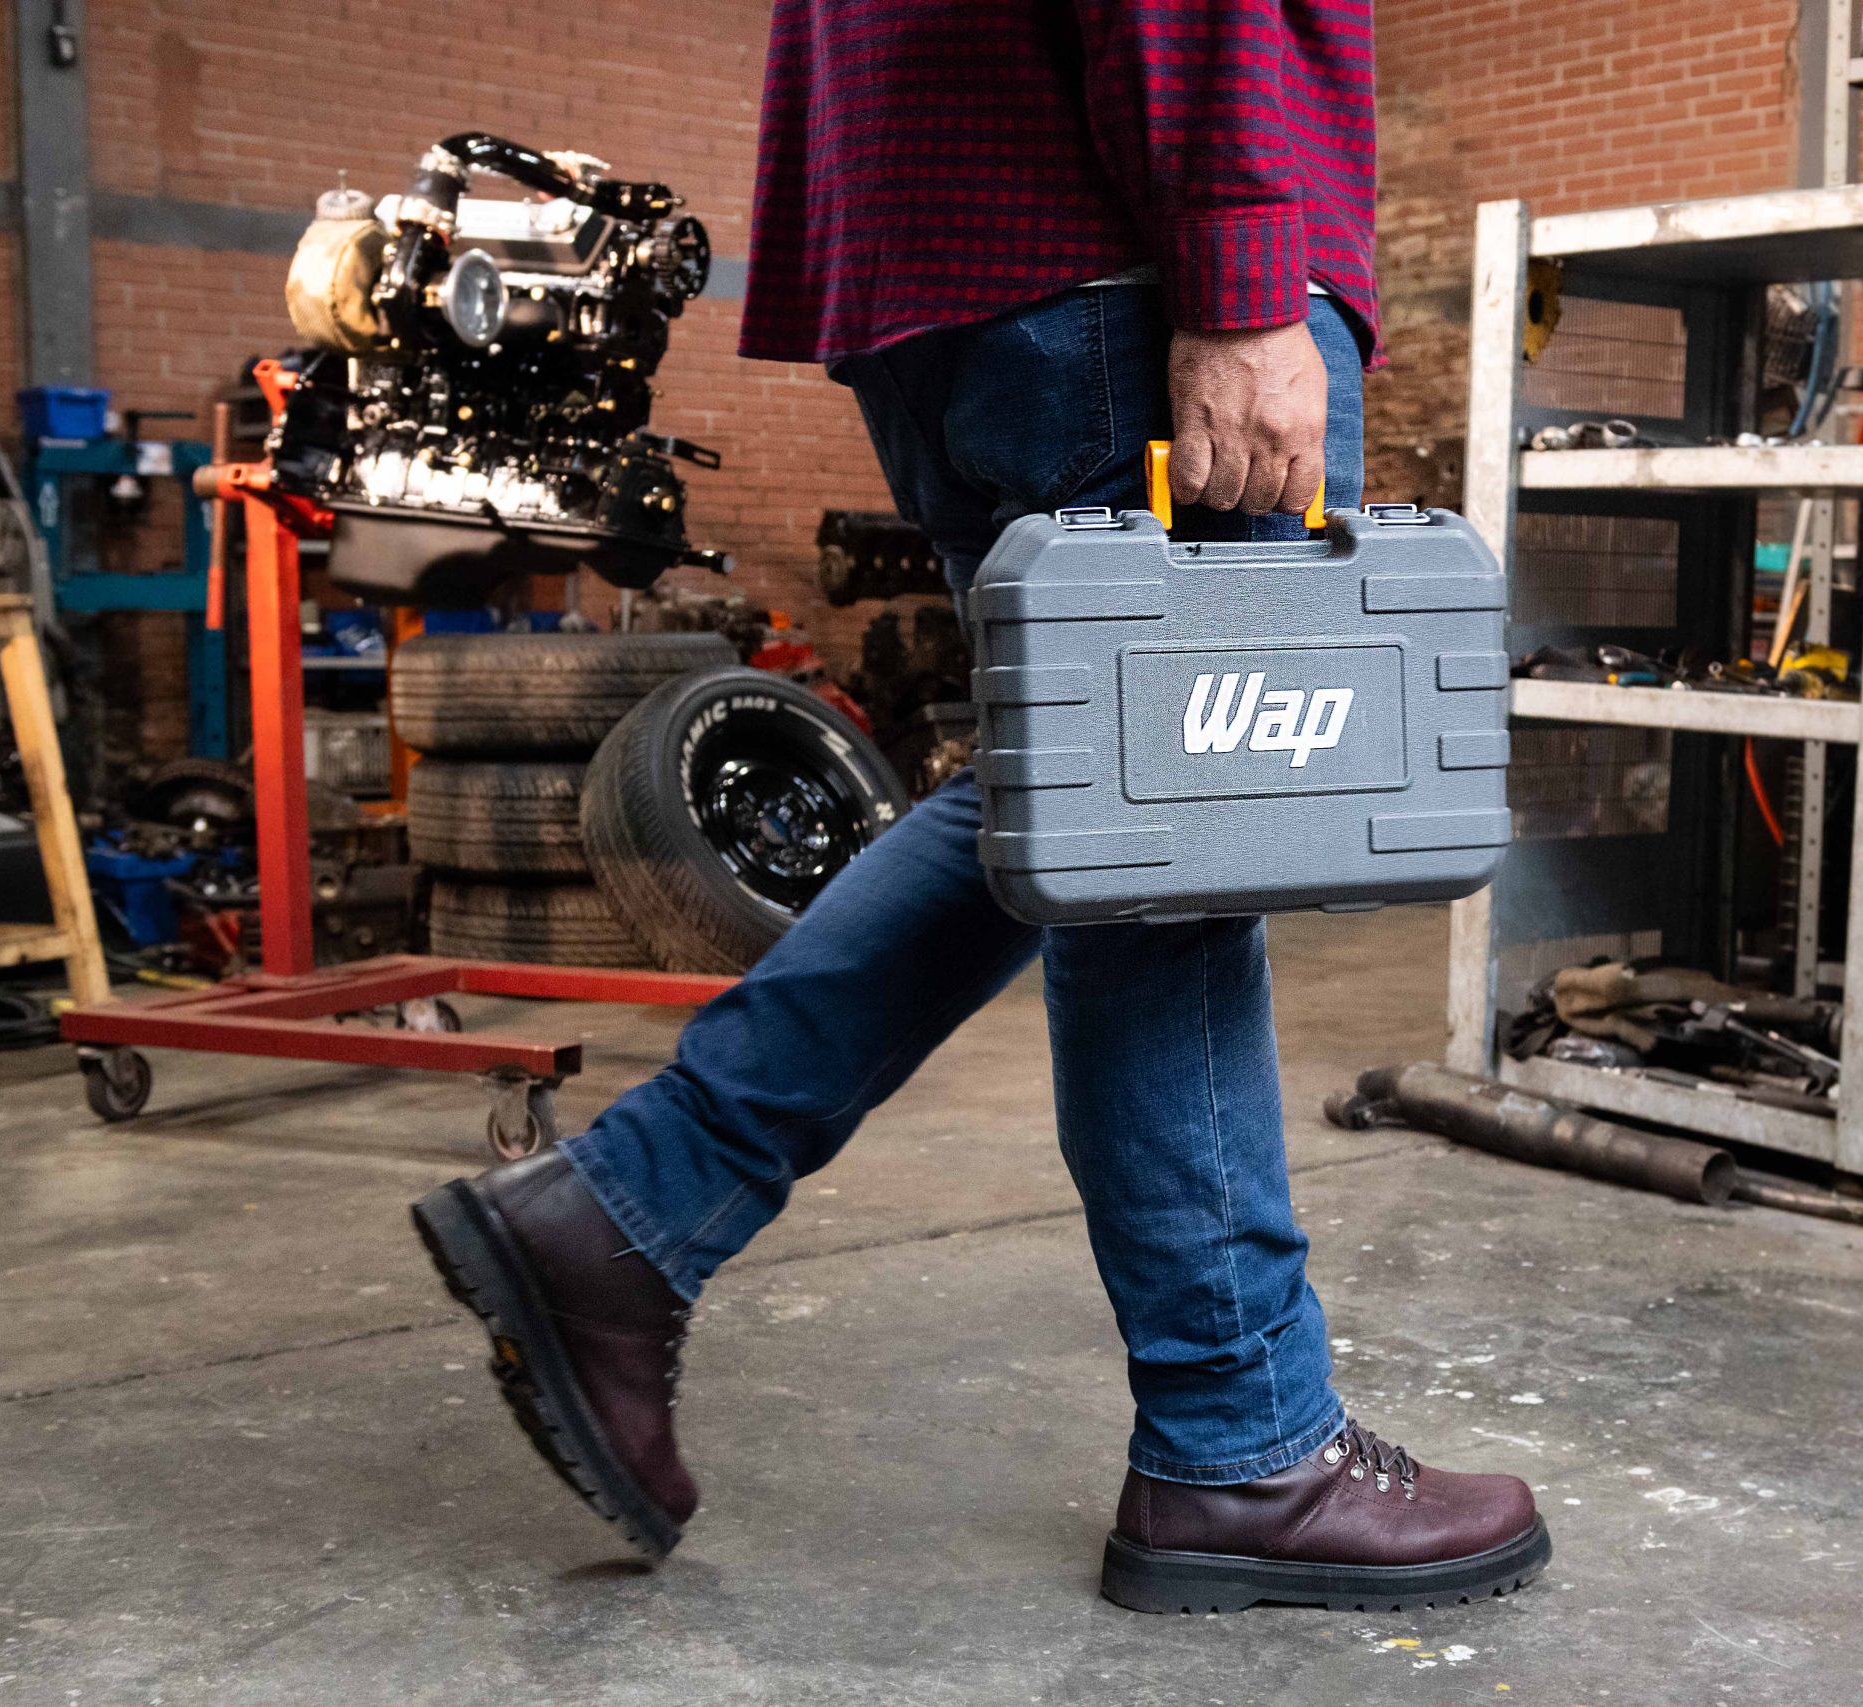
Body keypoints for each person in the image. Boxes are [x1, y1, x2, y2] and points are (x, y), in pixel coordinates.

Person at [411, 2, 1548, 1614]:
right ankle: (1241, 1447)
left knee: (1093, 814)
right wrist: (1240, 270)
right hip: (1120, 256)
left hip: (949, 255)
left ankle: (631, 1214)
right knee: (1172, 829)